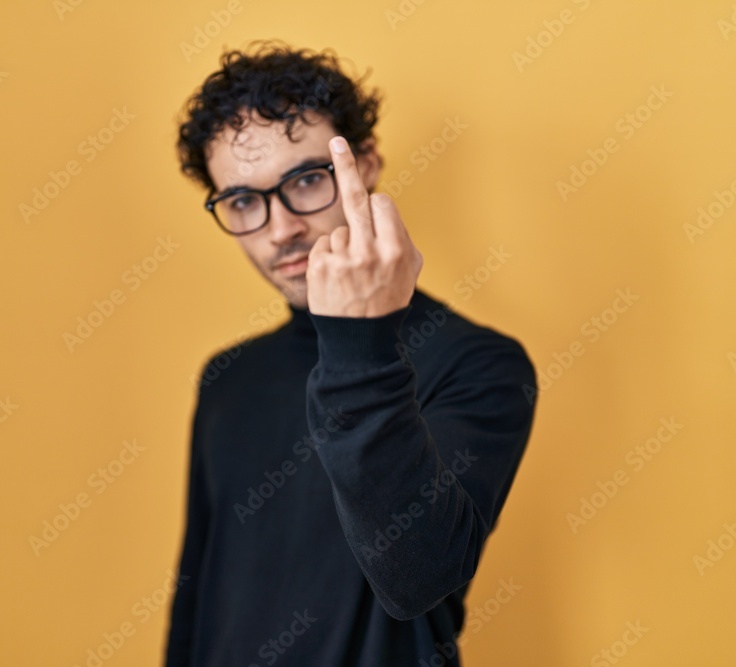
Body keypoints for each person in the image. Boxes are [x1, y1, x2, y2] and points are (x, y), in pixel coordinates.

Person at [164, 40, 538, 666]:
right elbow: (196, 593)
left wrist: (359, 341)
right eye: (243, 201)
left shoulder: (479, 363)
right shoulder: (229, 378)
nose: (281, 228)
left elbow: (418, 577)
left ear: (364, 165)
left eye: (307, 180)